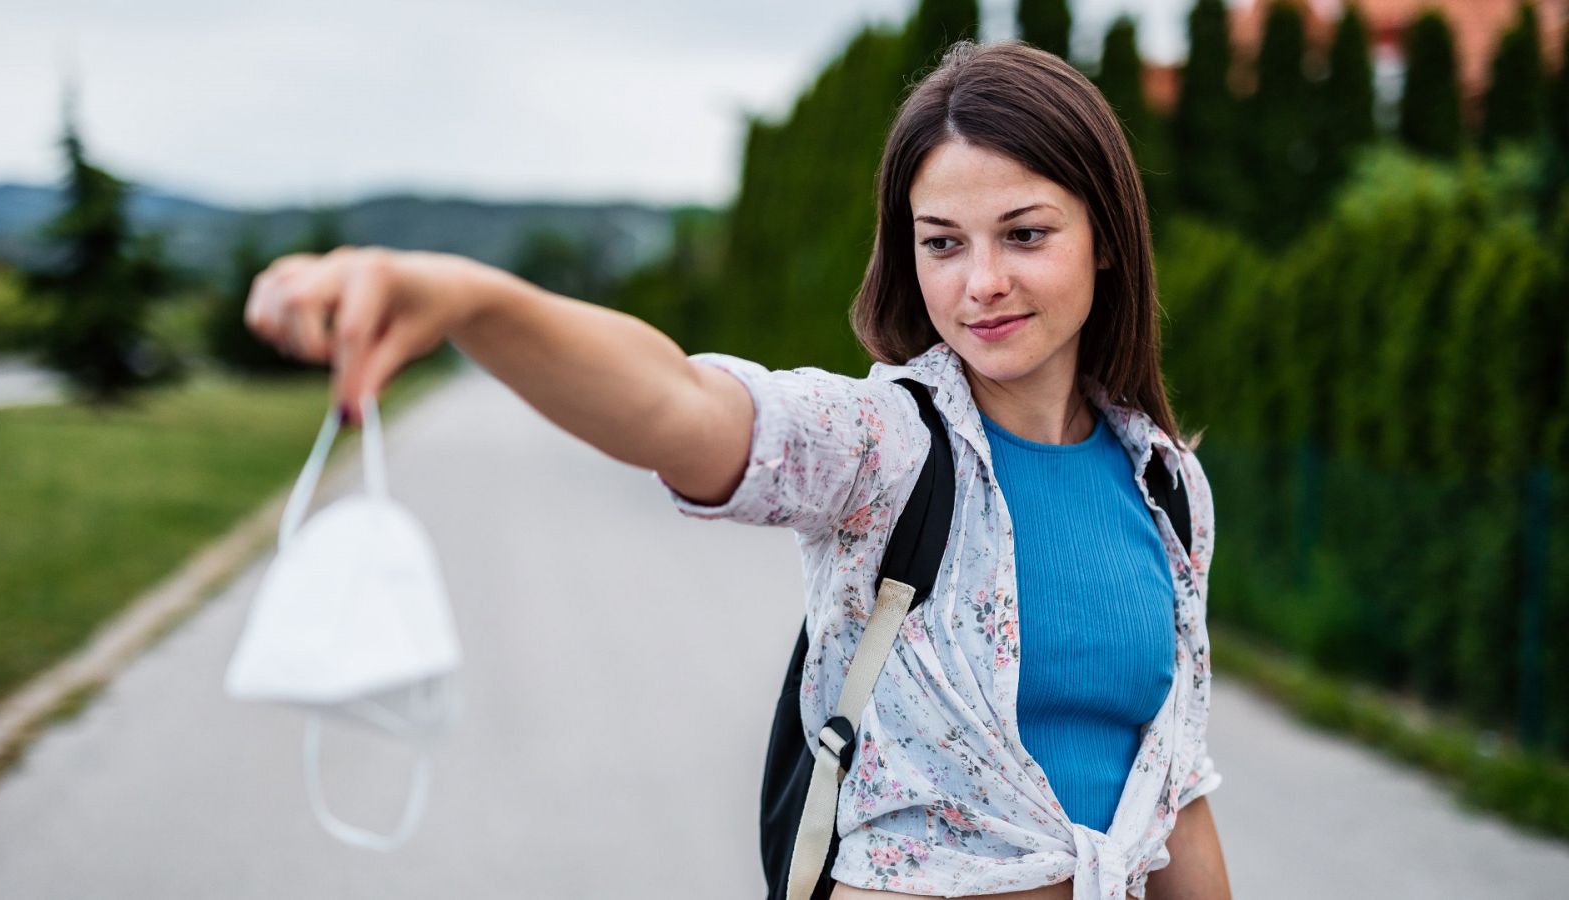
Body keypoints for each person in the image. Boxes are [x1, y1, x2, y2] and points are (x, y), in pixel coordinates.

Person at [244, 38, 1230, 900]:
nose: (980, 282)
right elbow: (681, 403)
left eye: (1025, 234)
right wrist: (471, 302)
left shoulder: (1166, 490)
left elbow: (1173, 798)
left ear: (1104, 238)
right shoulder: (883, 446)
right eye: (941, 243)